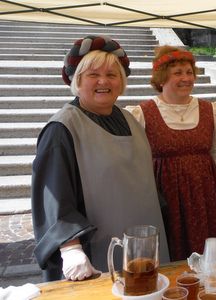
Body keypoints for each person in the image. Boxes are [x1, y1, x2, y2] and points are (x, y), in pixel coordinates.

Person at [31, 35, 169, 282]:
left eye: (112, 74)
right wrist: (70, 248)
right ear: (77, 80)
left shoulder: (130, 119)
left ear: (122, 81)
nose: (103, 81)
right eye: (93, 74)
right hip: (96, 255)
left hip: (143, 249)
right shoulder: (61, 130)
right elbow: (54, 198)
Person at [125, 46, 216, 261]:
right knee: (172, 250)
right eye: (178, 73)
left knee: (210, 250)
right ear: (162, 77)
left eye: (189, 72)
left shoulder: (210, 110)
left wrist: (203, 180)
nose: (186, 78)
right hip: (165, 194)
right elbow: (135, 160)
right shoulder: (142, 113)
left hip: (205, 193)